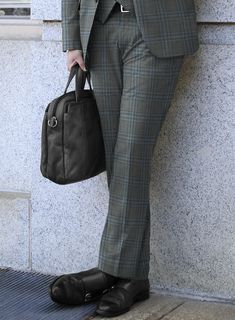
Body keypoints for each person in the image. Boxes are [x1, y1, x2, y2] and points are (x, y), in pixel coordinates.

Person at [48, 0, 200, 317]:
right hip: (100, 29)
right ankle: (132, 276)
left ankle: (111, 269)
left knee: (131, 153)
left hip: (157, 29)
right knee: (117, 156)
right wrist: (72, 39)